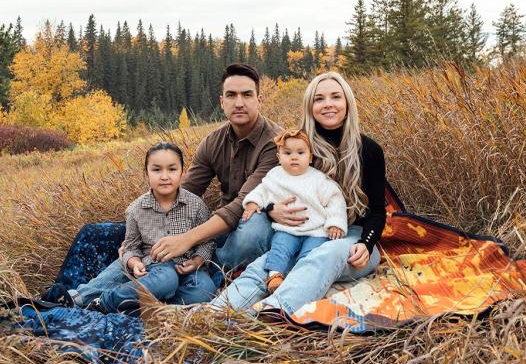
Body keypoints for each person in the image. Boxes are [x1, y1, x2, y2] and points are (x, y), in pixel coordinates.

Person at [44, 63, 282, 307]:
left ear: (259, 100)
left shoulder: (275, 143)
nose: (239, 102)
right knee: (140, 243)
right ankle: (80, 296)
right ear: (222, 101)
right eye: (231, 95)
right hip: (217, 229)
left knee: (251, 231)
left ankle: (208, 271)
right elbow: (182, 194)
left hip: (253, 225)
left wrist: (187, 240)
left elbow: (239, 208)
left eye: (247, 95)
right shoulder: (213, 142)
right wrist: (135, 242)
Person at [211, 72, 386, 315]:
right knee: (267, 265)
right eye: (319, 98)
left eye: (336, 97)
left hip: (349, 235)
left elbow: (377, 210)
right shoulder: (298, 147)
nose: (328, 104)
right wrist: (272, 211)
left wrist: (366, 244)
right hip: (301, 231)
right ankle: (211, 316)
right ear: (310, 106)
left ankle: (273, 313)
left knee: (323, 255)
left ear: (347, 102)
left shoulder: (368, 150)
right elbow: (273, 188)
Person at [66, 142, 217, 313]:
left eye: (172, 169)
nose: (165, 176)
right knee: (166, 279)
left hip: (187, 270)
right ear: (146, 174)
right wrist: (135, 263)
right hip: (155, 270)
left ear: (182, 173)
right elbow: (130, 247)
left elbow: (207, 242)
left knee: (205, 290)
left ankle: (144, 306)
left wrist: (197, 262)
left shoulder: (196, 205)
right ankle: (105, 302)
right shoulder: (135, 209)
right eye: (157, 170)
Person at [241, 129, 347, 293]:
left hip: (316, 231)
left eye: (300, 152)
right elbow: (262, 190)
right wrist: (253, 203)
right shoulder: (275, 175)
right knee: (279, 249)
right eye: (287, 153)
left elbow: (335, 200)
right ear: (279, 157)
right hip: (287, 229)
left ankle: (299, 279)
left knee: (311, 255)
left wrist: (335, 223)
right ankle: (275, 276)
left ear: (310, 157)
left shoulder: (318, 179)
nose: (294, 157)